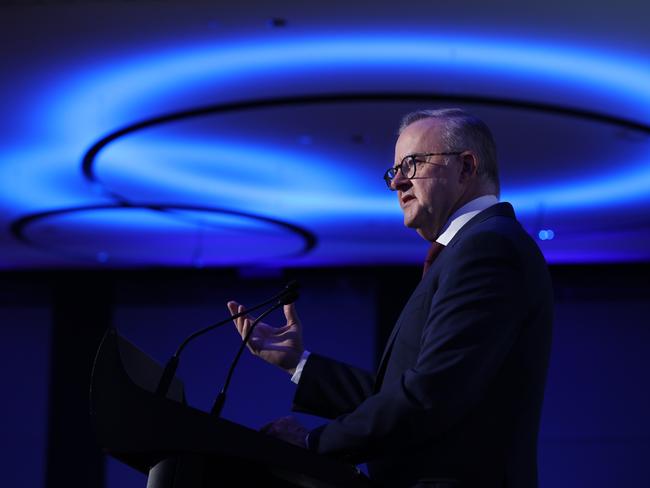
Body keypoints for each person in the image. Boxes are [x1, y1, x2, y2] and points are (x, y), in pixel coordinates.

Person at [228, 108, 553, 488]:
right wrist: (297, 363)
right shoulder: (470, 250)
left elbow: (431, 395)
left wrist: (313, 442)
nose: (397, 182)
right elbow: (404, 391)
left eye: (412, 164)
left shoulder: (489, 249)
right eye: (394, 170)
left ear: (465, 168)